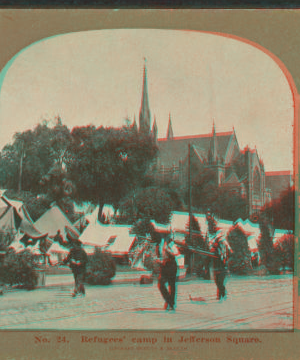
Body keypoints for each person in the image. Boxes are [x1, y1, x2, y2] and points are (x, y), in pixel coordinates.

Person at [205, 210, 232, 301]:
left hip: (222, 258)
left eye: (211, 225)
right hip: (214, 259)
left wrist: (216, 246)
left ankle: (221, 295)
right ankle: (221, 294)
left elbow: (222, 242)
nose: (210, 227)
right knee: (217, 280)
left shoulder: (220, 232)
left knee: (220, 280)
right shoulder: (208, 233)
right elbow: (209, 244)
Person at [157, 237, 179, 311]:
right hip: (163, 266)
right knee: (160, 284)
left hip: (171, 265)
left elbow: (177, 252)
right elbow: (160, 254)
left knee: (171, 285)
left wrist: (168, 250)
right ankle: (170, 301)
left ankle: (171, 303)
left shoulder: (170, 241)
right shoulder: (159, 242)